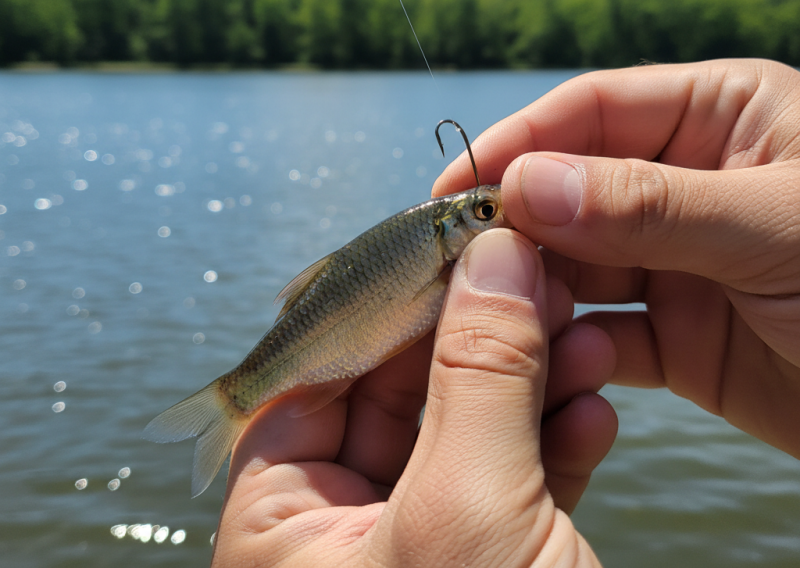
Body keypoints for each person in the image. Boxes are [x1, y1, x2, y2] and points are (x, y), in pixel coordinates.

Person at [210, 58, 800, 567]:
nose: (501, 217)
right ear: (453, 233)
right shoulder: (440, 248)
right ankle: (235, 397)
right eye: (487, 211)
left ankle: (237, 396)